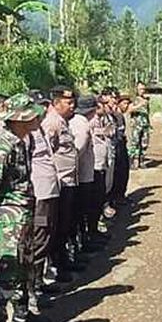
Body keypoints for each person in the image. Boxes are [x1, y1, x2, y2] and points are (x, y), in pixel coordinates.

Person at [0, 94, 51, 322]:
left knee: (24, 267)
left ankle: (22, 313)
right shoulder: (1, 145)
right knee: (3, 275)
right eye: (32, 114)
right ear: (20, 117)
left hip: (23, 216)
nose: (37, 117)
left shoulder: (20, 141)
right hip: (8, 220)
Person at [25, 89, 63, 301]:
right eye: (38, 106)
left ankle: (38, 283)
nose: (42, 110)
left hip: (49, 192)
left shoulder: (39, 130)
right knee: (38, 241)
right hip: (38, 195)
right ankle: (31, 292)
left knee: (46, 237)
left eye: (44, 106)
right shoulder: (25, 135)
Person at [44, 86, 79, 279]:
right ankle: (57, 266)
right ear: (56, 103)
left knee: (66, 224)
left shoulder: (63, 122)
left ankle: (64, 261)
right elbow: (47, 154)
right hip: (60, 182)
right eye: (69, 102)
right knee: (57, 227)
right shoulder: (52, 123)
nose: (73, 106)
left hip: (69, 181)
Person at [69, 95, 99, 253]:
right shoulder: (82, 126)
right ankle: (81, 244)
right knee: (81, 212)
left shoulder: (77, 122)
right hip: (82, 176)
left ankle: (82, 242)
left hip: (81, 175)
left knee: (81, 212)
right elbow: (77, 152)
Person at [88, 92, 116, 236]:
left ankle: (99, 220)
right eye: (101, 105)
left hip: (103, 159)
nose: (105, 107)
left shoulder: (102, 119)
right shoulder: (91, 121)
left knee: (105, 187)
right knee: (96, 195)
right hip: (95, 164)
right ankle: (97, 223)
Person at [109, 94, 132, 209]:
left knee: (124, 171)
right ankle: (116, 197)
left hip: (122, 145)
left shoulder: (120, 116)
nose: (126, 106)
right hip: (117, 147)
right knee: (118, 173)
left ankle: (121, 195)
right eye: (124, 103)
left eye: (128, 103)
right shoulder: (115, 116)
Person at [128, 82, 151, 169]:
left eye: (143, 89)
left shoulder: (146, 100)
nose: (142, 91)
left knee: (144, 143)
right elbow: (129, 110)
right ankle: (133, 162)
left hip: (144, 125)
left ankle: (142, 161)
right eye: (140, 89)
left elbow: (148, 112)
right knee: (135, 143)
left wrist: (149, 124)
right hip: (136, 125)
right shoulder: (134, 100)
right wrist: (139, 105)